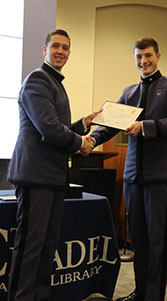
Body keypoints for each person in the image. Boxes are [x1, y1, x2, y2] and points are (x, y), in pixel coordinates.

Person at [86, 37, 167, 300]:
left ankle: (154, 296)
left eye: (148, 56)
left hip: (158, 177)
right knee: (139, 243)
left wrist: (145, 127)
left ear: (158, 55)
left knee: (156, 243)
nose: (143, 61)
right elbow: (111, 124)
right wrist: (92, 140)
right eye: (138, 57)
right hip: (133, 178)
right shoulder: (129, 91)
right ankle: (141, 292)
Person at [7, 29, 100, 301]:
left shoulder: (55, 83)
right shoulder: (38, 79)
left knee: (47, 247)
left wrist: (80, 126)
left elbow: (55, 130)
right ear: (44, 50)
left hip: (53, 177)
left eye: (66, 47)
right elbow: (49, 130)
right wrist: (81, 141)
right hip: (37, 177)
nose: (61, 51)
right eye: (56, 46)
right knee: (30, 249)